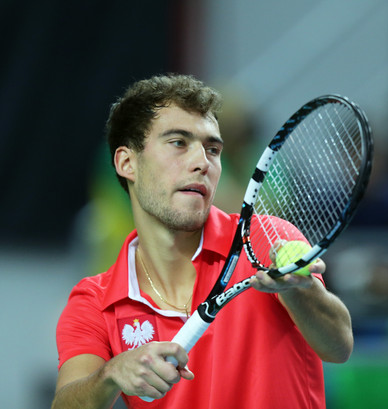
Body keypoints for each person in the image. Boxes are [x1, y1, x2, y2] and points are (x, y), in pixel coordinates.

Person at [51, 74, 353, 409]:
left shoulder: (268, 239)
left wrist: (302, 290)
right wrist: (110, 374)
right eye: (179, 143)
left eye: (212, 149)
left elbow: (339, 346)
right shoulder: (93, 302)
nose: (202, 163)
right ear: (126, 162)